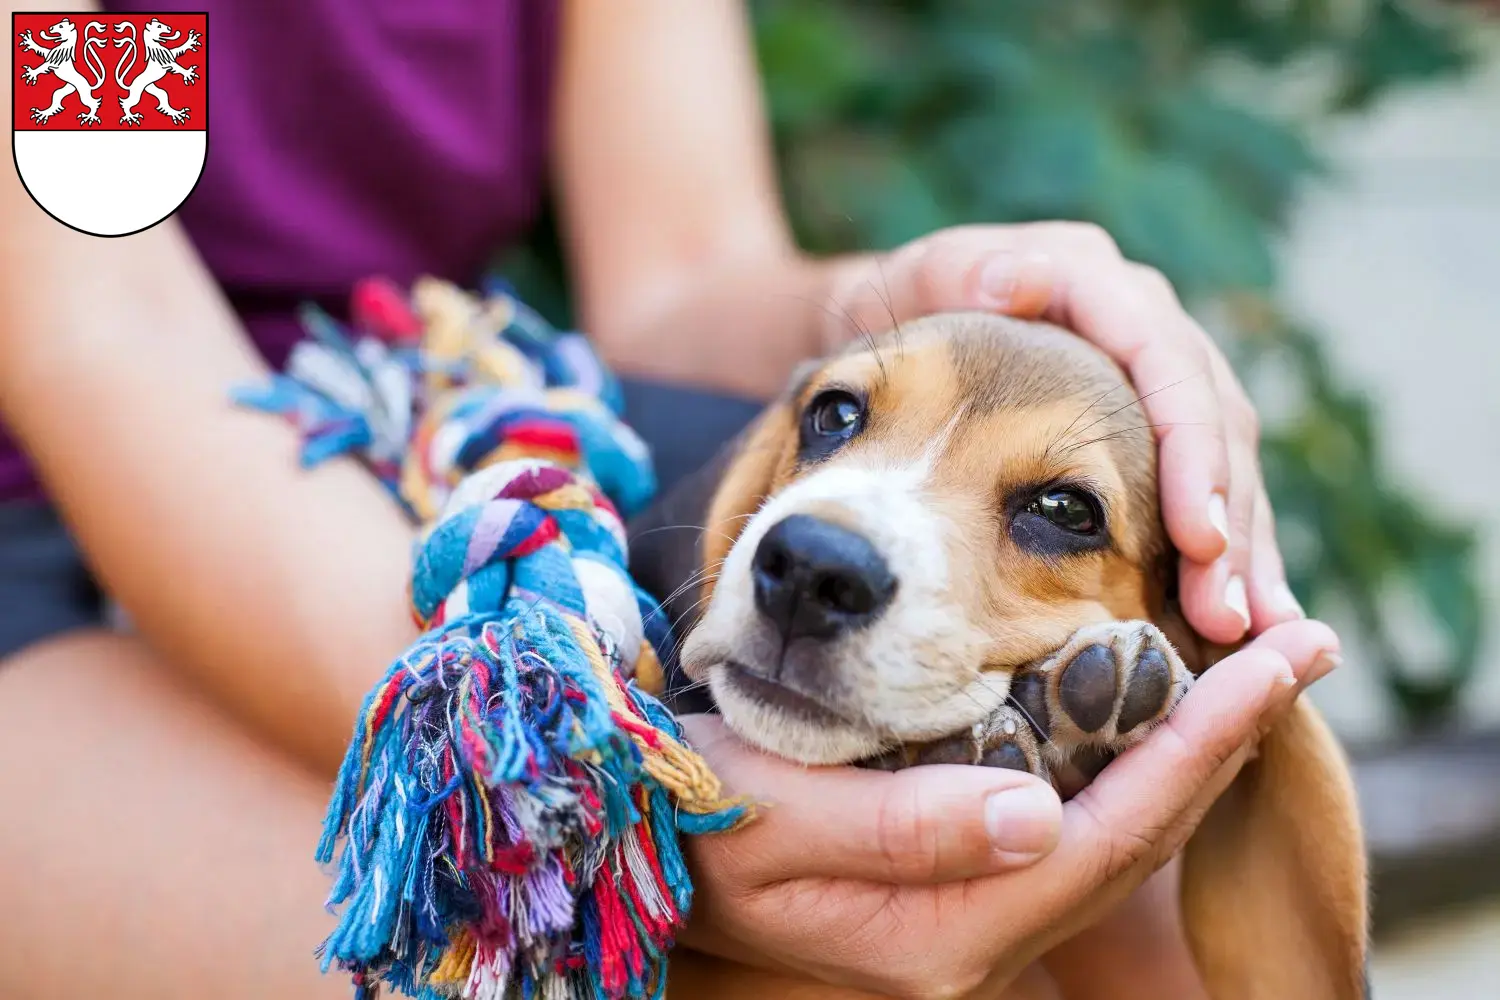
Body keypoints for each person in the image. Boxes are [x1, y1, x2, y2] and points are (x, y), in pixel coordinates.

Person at [0, 2, 1340, 998]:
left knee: (1125, 908)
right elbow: (108, 326)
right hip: (59, 496)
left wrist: (886, 305)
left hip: (452, 448)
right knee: (681, 968)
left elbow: (679, 272)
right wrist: (580, 775)